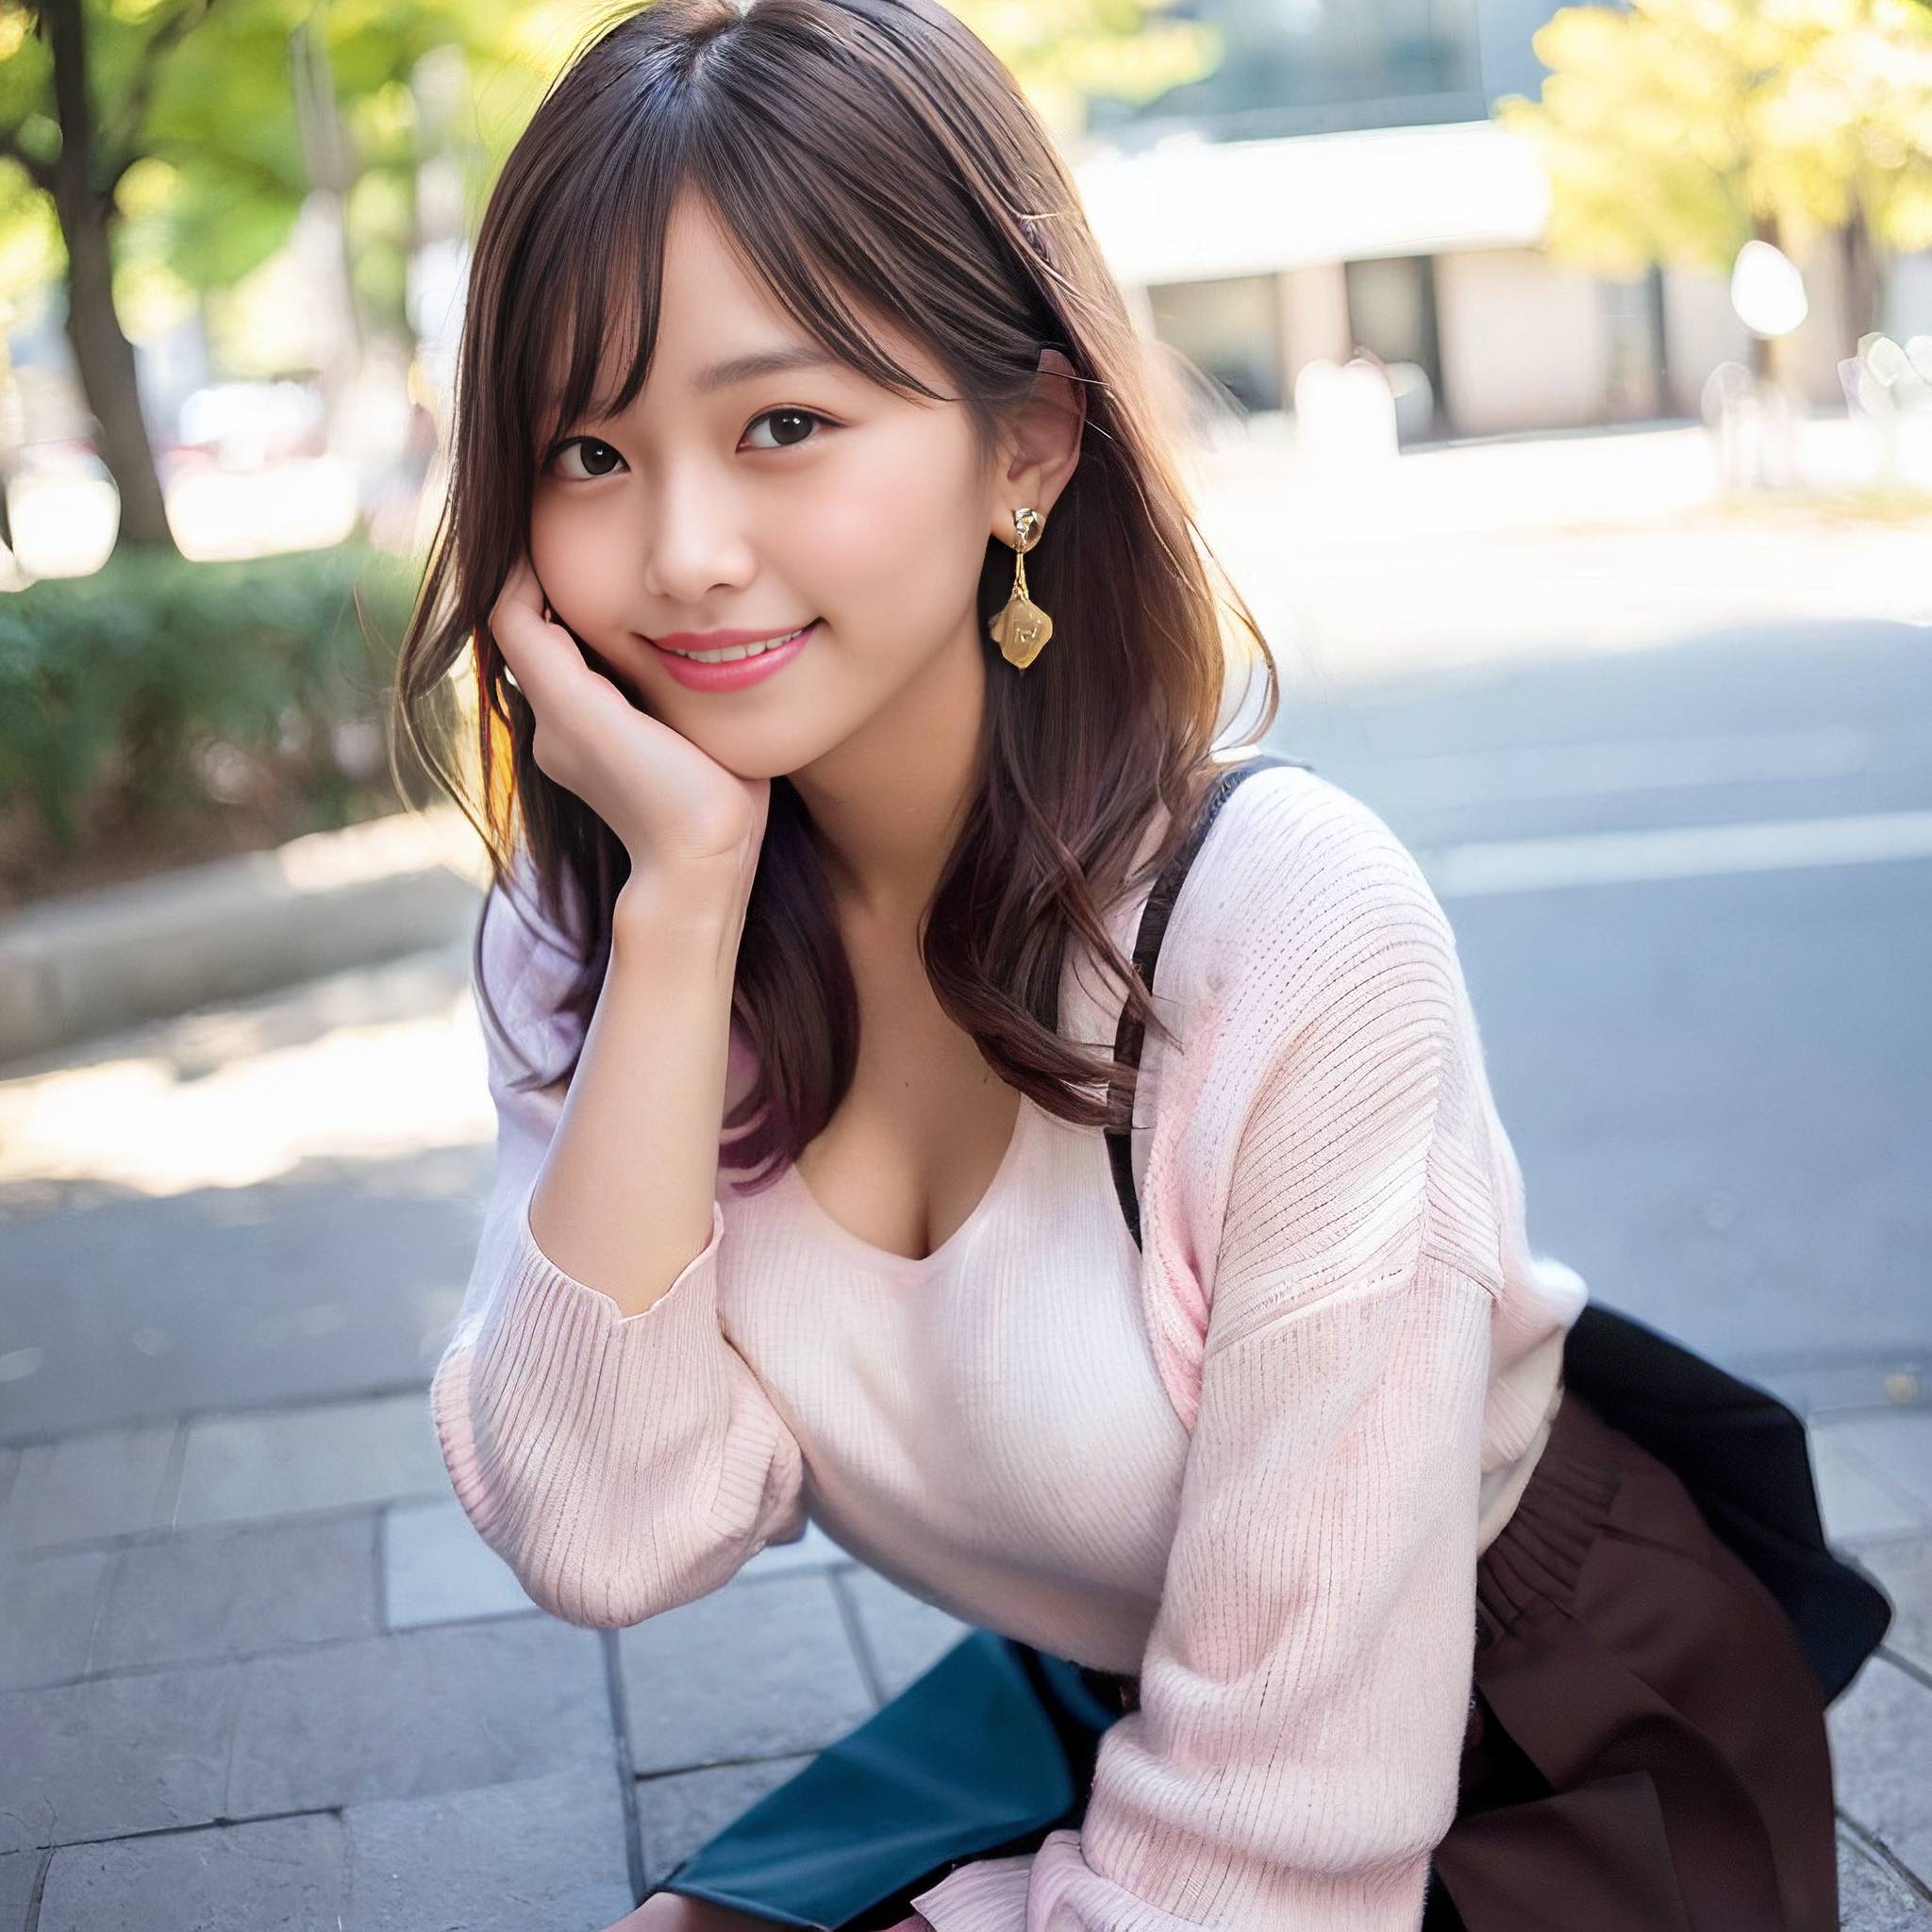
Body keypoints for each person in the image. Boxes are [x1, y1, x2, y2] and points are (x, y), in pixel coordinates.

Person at [396, 1, 1841, 1926]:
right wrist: (678, 918)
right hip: (1124, 1672)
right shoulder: (600, 934)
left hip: (1510, 1715)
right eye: (586, 448)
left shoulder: (1285, 931)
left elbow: (1276, 1859)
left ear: (1028, 446)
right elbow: (601, 1524)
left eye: (785, 425)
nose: (680, 552)